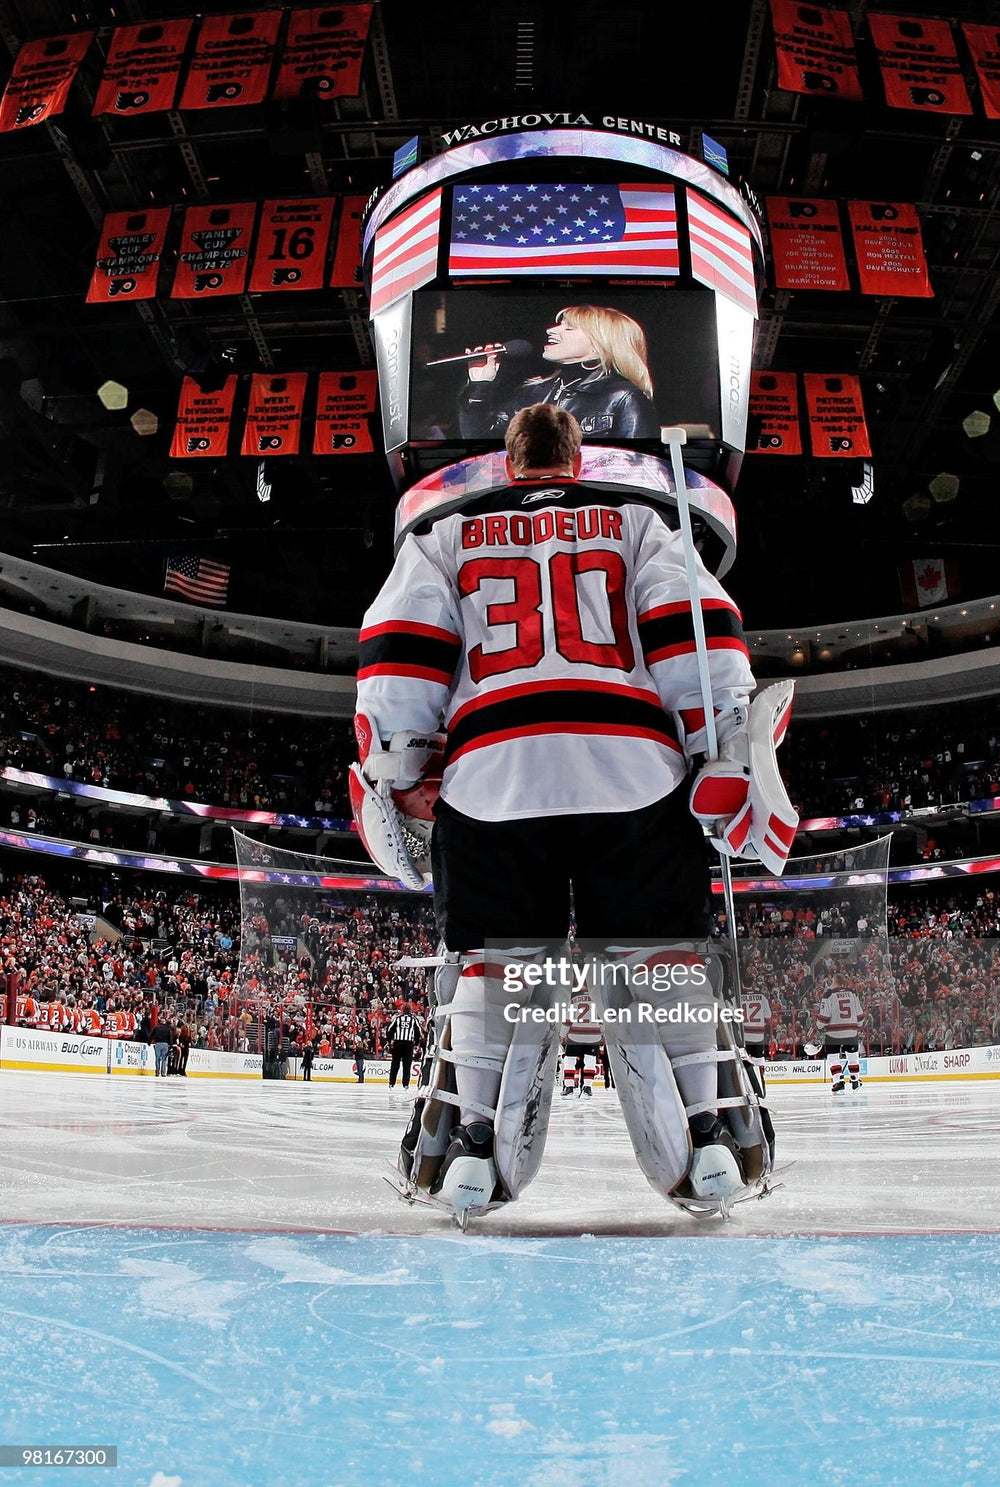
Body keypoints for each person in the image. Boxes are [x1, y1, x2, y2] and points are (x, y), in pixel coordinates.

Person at [352, 403, 774, 1225]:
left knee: (495, 961)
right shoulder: (637, 522)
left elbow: (401, 643)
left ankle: (472, 1142)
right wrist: (717, 742)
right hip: (633, 767)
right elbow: (697, 628)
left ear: (510, 464)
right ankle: (711, 1129)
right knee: (661, 952)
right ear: (578, 458)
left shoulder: (446, 536)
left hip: (493, 773)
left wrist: (402, 763)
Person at [458, 305, 660, 440]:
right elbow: (482, 442)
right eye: (558, 325)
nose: (551, 330)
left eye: (569, 328)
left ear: (600, 344)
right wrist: (480, 385)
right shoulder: (531, 392)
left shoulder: (622, 397)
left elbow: (636, 466)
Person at [385, 1006, 423, 1091]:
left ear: (403, 1011)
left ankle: (391, 1083)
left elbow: (390, 1029)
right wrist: (417, 1043)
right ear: (410, 1011)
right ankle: (405, 1084)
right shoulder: (413, 1019)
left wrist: (389, 1040)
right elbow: (418, 1031)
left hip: (398, 1043)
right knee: (407, 1065)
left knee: (395, 1064)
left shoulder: (397, 1018)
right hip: (408, 1044)